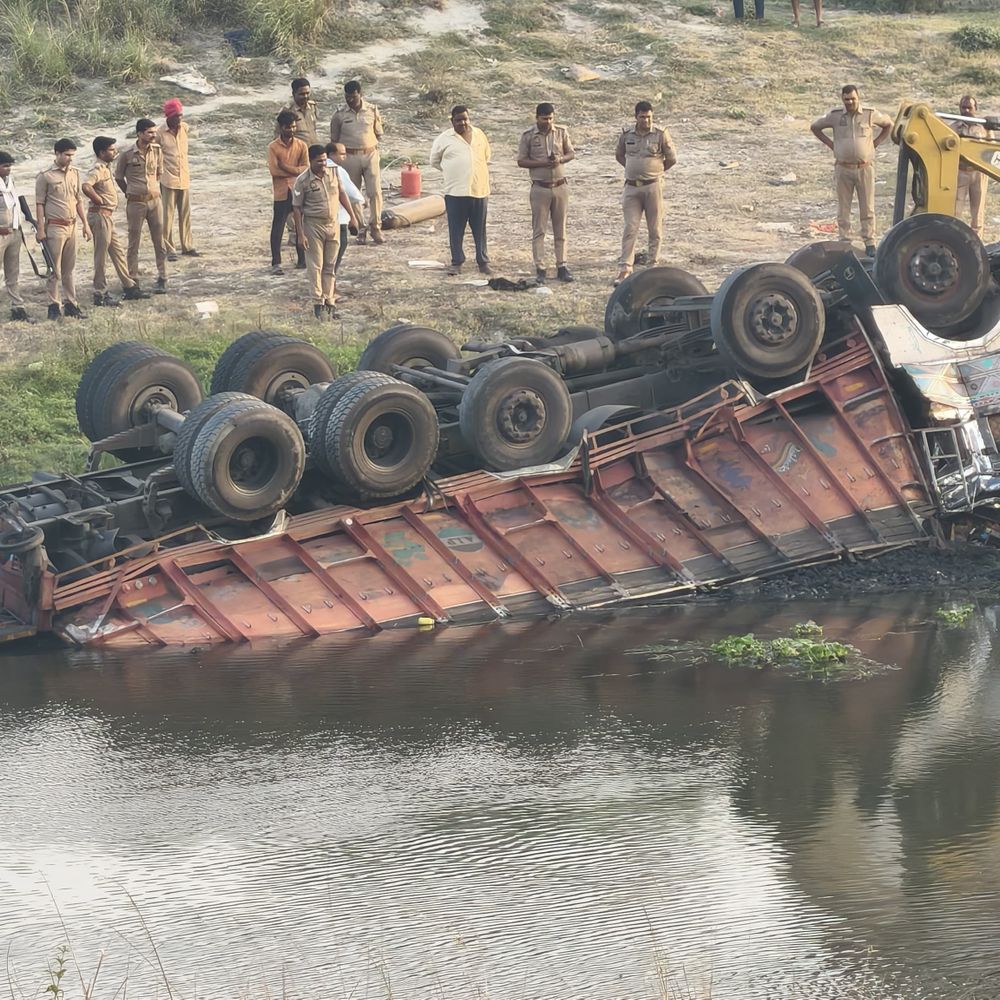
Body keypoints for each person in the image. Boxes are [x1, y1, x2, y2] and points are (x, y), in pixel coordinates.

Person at [810, 85, 892, 257]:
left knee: (867, 207)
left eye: (853, 99)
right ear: (842, 99)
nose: (850, 102)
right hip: (843, 168)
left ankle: (869, 242)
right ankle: (844, 240)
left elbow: (888, 125)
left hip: (864, 168)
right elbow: (815, 127)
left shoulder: (869, 114)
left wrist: (874, 144)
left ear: (858, 98)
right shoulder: (835, 116)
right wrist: (831, 144)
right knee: (843, 207)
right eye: (846, 99)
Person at [82, 137, 151, 306]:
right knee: (101, 256)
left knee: (117, 252)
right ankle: (100, 293)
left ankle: (129, 286)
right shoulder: (97, 169)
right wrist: (98, 199)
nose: (114, 152)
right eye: (111, 150)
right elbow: (86, 186)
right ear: (102, 152)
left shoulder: (106, 168)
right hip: (100, 215)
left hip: (107, 216)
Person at [614, 101, 676, 286]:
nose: (646, 120)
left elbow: (671, 159)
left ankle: (652, 266)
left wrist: (655, 172)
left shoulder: (660, 134)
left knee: (655, 228)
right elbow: (619, 155)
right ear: (636, 117)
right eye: (642, 117)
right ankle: (625, 267)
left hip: (653, 186)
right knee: (630, 227)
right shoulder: (627, 134)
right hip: (632, 188)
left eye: (649, 117)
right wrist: (633, 170)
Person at [291, 144, 353, 320]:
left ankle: (330, 301)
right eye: (319, 161)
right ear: (310, 161)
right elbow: (296, 208)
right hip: (313, 226)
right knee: (315, 266)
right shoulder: (302, 181)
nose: (323, 164)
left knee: (330, 266)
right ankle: (318, 303)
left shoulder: (333, 172)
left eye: (325, 160)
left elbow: (342, 194)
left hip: (332, 224)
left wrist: (353, 217)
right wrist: (300, 234)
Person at [429, 105, 492, 276]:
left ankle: (483, 262)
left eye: (465, 119)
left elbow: (486, 156)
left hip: (479, 190)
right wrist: (453, 171)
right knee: (456, 229)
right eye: (458, 120)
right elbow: (434, 161)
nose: (462, 123)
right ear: (452, 121)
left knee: (480, 229)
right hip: (456, 192)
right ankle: (457, 262)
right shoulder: (444, 139)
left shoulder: (479, 134)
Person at [516, 101, 575, 284]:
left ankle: (562, 265)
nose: (548, 122)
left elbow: (570, 153)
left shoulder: (561, 132)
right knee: (539, 230)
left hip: (560, 186)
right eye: (544, 119)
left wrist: (560, 160)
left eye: (550, 118)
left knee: (561, 228)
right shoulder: (528, 136)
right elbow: (521, 161)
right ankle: (540, 267)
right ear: (537, 118)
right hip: (540, 188)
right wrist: (542, 163)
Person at [35, 138, 91, 320]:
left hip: (71, 225)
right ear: (57, 154)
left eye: (72, 155)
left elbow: (78, 200)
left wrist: (85, 225)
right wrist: (41, 229)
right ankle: (53, 305)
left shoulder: (74, 173)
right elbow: (39, 204)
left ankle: (71, 304)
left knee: (69, 268)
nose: (70, 159)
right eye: (67, 155)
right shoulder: (45, 176)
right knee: (54, 269)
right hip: (55, 227)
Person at [329, 80, 385, 245]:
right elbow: (334, 139)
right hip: (349, 156)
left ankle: (376, 227)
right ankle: (361, 228)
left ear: (360, 94)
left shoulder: (372, 110)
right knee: (353, 194)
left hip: (370, 154)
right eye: (347, 97)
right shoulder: (339, 115)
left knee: (374, 192)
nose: (350, 101)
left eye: (353, 97)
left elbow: (378, 132)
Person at [115, 118, 168, 292]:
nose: (153, 135)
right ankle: (134, 278)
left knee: (159, 240)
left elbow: (158, 174)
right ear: (139, 134)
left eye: (154, 132)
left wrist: (151, 191)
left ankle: (162, 276)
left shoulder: (157, 150)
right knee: (134, 242)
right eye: (149, 132)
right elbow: (118, 177)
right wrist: (129, 192)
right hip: (135, 203)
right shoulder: (127, 153)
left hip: (155, 201)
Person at [156, 97, 200, 261]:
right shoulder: (159, 133)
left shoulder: (184, 129)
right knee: (167, 216)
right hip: (167, 179)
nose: (179, 119)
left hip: (184, 177)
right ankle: (169, 248)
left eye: (181, 115)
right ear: (168, 116)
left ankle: (187, 246)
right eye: (176, 116)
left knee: (185, 214)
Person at [267, 110, 309, 275]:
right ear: (281, 127)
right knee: (278, 227)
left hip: (298, 189)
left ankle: (302, 259)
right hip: (282, 191)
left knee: (301, 225)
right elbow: (274, 171)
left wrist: (286, 168)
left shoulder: (301, 145)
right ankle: (276, 263)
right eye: (288, 127)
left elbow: (305, 169)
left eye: (293, 127)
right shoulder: (273, 147)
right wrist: (294, 171)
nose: (291, 130)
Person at [0, 150, 37, 322]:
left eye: (10, 166)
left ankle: (17, 307)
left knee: (13, 272)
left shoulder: (10, 181)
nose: (8, 169)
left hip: (14, 231)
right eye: (5, 166)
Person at [951, 95, 989, 240]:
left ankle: (977, 243)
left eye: (969, 107)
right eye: (963, 107)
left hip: (979, 173)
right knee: (955, 210)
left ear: (976, 108)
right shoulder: (953, 128)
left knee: (978, 210)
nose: (966, 110)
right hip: (960, 172)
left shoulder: (983, 128)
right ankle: (954, 241)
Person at [325, 143, 365, 278]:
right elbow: (351, 193)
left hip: (319, 220)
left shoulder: (311, 170)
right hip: (338, 218)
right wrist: (361, 201)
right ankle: (331, 287)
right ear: (331, 155)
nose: (344, 157)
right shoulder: (337, 170)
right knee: (336, 253)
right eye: (341, 154)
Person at [280, 78, 319, 146]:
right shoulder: (287, 112)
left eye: (307, 93)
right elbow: (279, 136)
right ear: (294, 94)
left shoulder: (312, 107)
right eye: (302, 94)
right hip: (297, 152)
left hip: (313, 151)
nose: (305, 96)